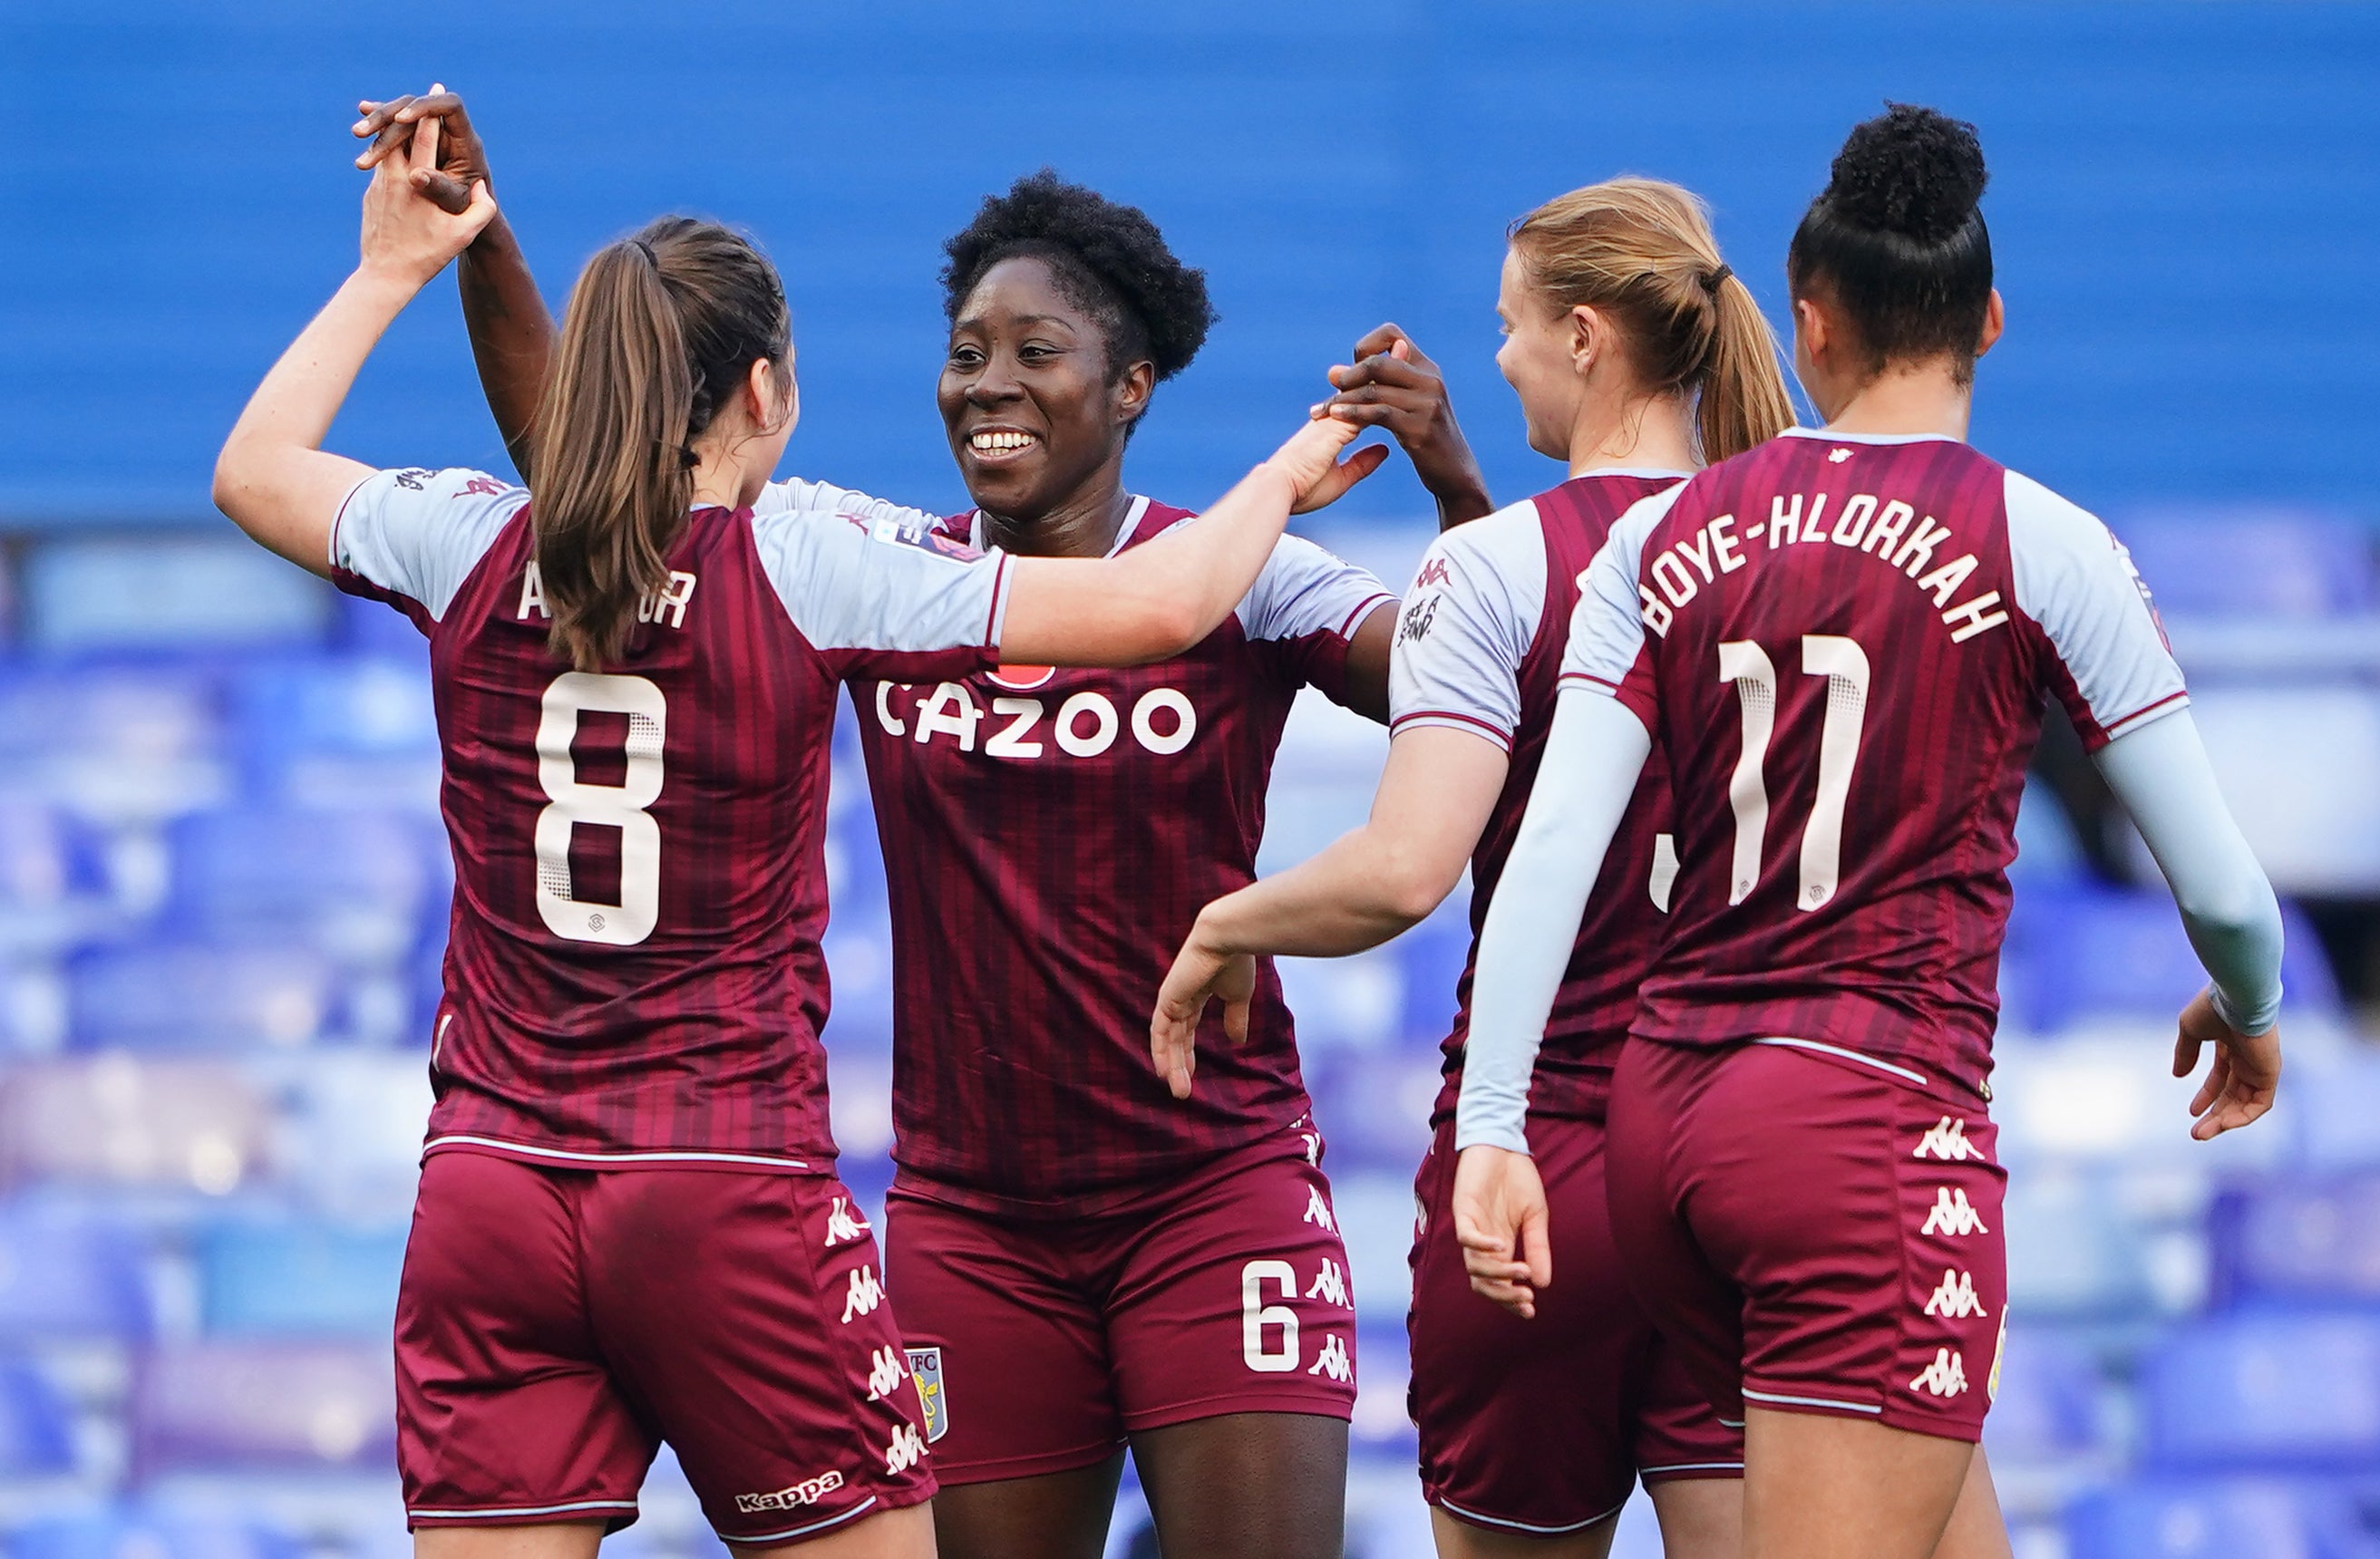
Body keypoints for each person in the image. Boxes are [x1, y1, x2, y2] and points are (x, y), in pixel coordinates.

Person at [349, 92, 1494, 1559]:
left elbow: (1461, 677)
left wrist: (1459, 488)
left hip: (1214, 1193)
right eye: (964, 357)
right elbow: (599, 463)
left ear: (1131, 383)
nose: (986, 388)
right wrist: (485, 248)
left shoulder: (1237, 576)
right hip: (969, 1223)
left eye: (1034, 355)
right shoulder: (873, 568)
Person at [1447, 105, 2285, 1559]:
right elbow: (2219, 887)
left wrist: (1492, 1129)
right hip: (1860, 1130)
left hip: (1663, 1130)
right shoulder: (2043, 539)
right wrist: (2252, 1000)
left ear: (1809, 324)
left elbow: (1554, 846)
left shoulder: (1663, 536)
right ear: (1991, 321)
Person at [1154, 177, 1792, 1559]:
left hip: (1544, 1162)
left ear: (1579, 335)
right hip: (1744, 1161)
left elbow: (1403, 870)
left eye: (1509, 326)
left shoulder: (1506, 566)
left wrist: (1226, 925)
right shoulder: (1790, 555)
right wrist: (1457, 486)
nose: (1494, 356)